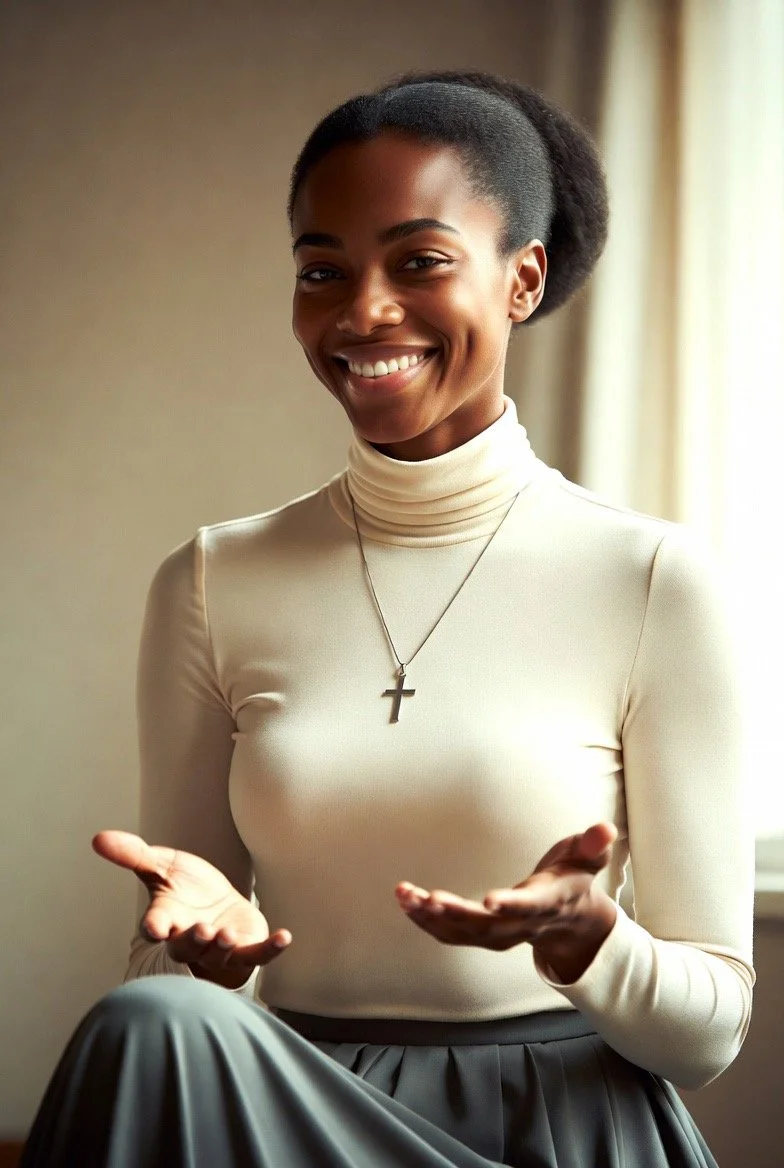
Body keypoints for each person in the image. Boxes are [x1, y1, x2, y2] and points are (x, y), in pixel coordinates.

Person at [20, 70, 755, 1168]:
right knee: (151, 1023)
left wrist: (591, 938)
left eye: (419, 261)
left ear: (521, 280)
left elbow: (707, 1035)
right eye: (324, 271)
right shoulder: (213, 579)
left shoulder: (652, 578)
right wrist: (200, 960)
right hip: (287, 1117)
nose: (362, 311)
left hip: (553, 1130)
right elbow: (170, 964)